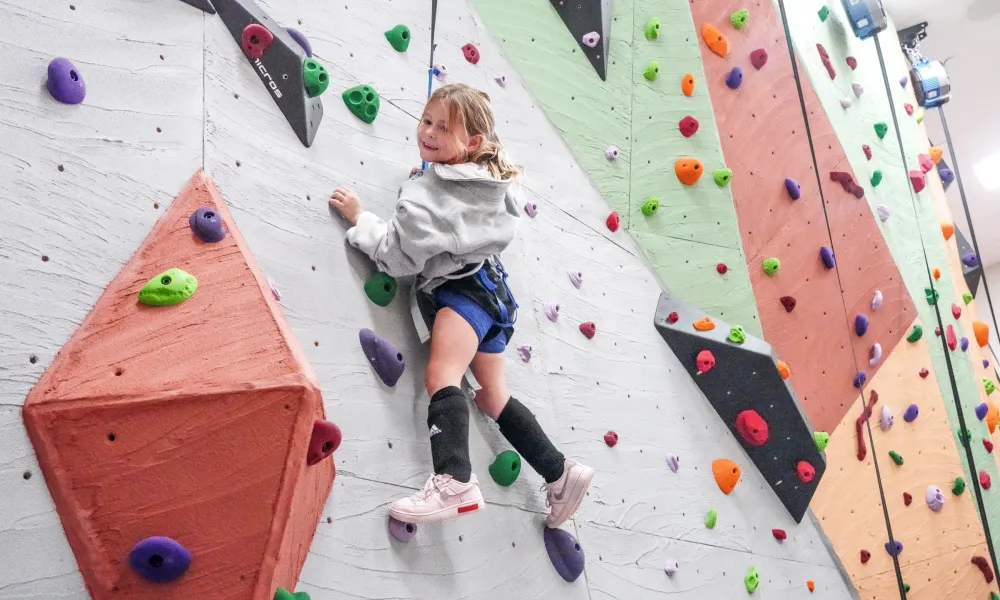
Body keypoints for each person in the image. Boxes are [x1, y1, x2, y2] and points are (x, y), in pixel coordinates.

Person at [329, 83, 594, 528]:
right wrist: (431, 176)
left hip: (460, 294)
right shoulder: (489, 179)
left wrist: (361, 218)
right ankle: (561, 473)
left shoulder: (427, 198)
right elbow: (453, 210)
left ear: (471, 142)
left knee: (441, 375)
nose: (429, 132)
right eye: (427, 120)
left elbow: (395, 256)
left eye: (443, 128)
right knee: (492, 396)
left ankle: (454, 479)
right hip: (494, 296)